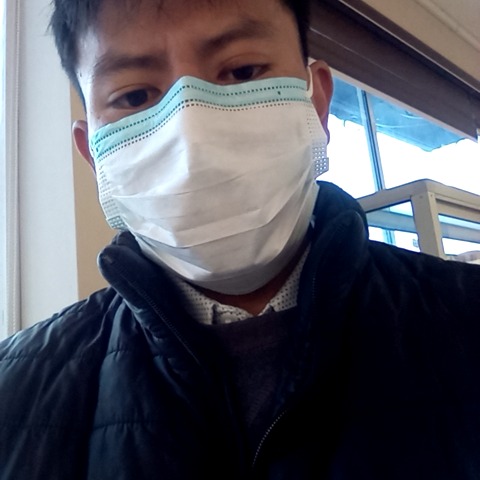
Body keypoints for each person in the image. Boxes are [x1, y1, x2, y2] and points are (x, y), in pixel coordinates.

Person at [1, 0, 480, 478]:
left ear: (316, 105)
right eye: (135, 96)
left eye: (243, 71)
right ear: (93, 156)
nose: (192, 133)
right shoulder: (13, 393)